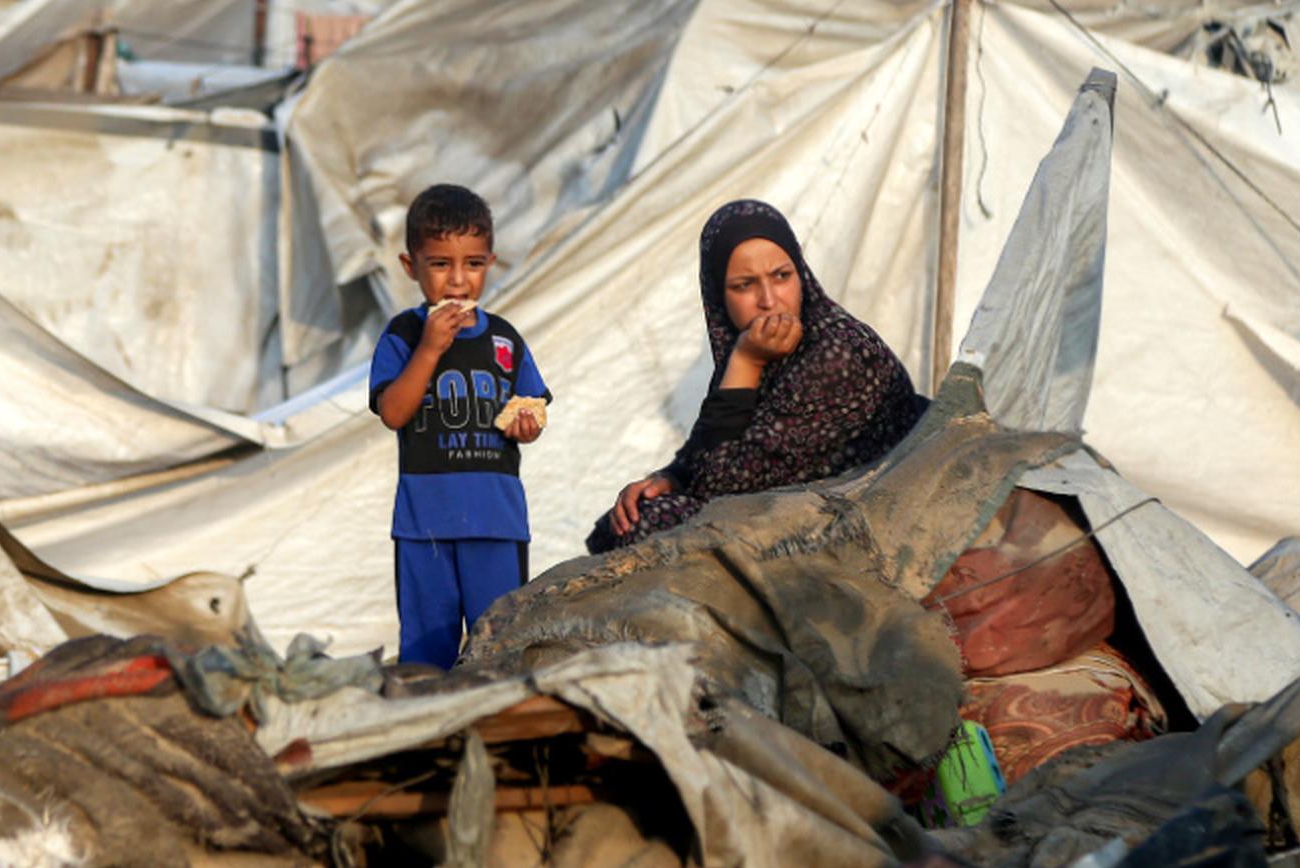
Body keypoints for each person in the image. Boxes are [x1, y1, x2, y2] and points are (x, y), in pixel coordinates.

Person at [587, 199, 924, 553]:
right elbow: (706, 451)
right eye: (745, 285)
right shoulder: (757, 349)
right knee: (633, 514)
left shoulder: (837, 351)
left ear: (801, 275)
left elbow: (721, 488)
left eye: (781, 276)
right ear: (717, 297)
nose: (769, 300)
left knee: (654, 527)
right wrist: (669, 478)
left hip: (857, 529)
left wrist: (745, 362)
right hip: (788, 510)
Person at [371, 184, 550, 668]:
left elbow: (530, 407)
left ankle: (499, 738)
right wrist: (430, 349)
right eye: (440, 264)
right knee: (427, 652)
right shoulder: (404, 336)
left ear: (490, 263)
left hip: (496, 520)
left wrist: (527, 425)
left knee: (502, 647)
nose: (457, 281)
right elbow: (393, 413)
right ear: (411, 267)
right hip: (423, 523)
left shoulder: (505, 340)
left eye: (472, 264)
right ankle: (431, 736)